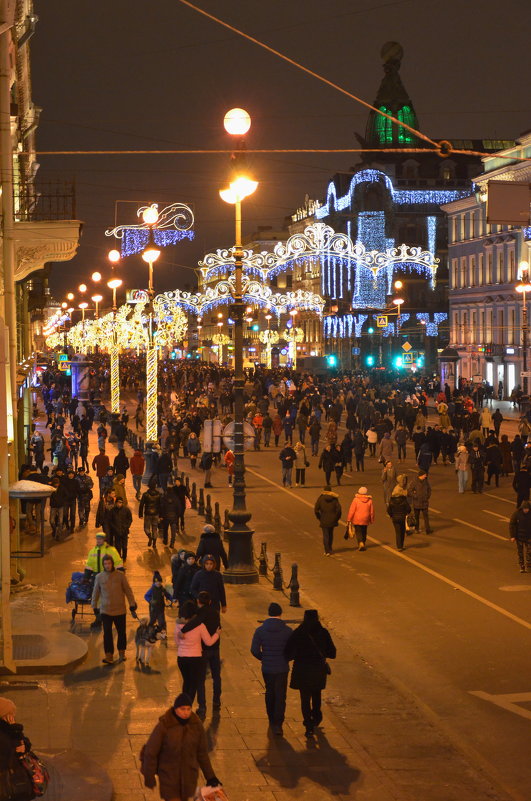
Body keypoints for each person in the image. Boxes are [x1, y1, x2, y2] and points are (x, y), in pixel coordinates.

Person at [140, 693, 221, 801]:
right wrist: (149, 776)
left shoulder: (196, 726)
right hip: (169, 778)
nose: (186, 712)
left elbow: (202, 754)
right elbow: (151, 752)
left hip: (189, 778)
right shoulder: (164, 726)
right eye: (182, 709)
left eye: (188, 709)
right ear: (176, 709)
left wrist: (211, 777)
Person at [284, 609, 336, 737]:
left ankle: (308, 726)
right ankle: (316, 717)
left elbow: (288, 652)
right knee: (316, 694)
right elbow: (332, 653)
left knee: (305, 699)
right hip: (317, 669)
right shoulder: (323, 633)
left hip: (302, 670)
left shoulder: (299, 633)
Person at [250, 602, 292, 736]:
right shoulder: (287, 631)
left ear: (269, 613)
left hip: (267, 668)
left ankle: (271, 719)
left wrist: (264, 657)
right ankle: (278, 724)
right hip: (282, 668)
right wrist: (286, 658)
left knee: (270, 692)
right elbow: (293, 650)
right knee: (280, 695)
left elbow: (254, 650)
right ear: (280, 614)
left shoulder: (260, 630)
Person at [181, 591, 222, 717]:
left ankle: (202, 706)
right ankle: (216, 701)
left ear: (198, 602)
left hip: (203, 650)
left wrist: (183, 630)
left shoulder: (200, 614)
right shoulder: (215, 612)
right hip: (215, 648)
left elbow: (195, 623)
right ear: (210, 602)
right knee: (216, 676)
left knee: (200, 680)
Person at [91, 554, 137, 664]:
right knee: (107, 634)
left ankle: (122, 653)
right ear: (103, 565)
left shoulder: (120, 576)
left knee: (121, 633)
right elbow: (95, 592)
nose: (107, 565)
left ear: (112, 564)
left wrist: (132, 603)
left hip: (120, 610)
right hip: (105, 610)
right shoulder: (99, 577)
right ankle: (109, 655)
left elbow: (128, 590)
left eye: (109, 563)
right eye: (105, 564)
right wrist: (94, 606)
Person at [175, 601, 219, 703]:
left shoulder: (178, 626)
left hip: (181, 658)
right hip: (195, 658)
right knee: (193, 684)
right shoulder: (199, 626)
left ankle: (183, 705)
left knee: (186, 682)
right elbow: (208, 642)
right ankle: (187, 706)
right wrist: (217, 634)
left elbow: (177, 642)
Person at [0, 696, 36, 801]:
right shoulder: (6, 732)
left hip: (15, 781)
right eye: (10, 713)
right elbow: (10, 751)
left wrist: (17, 734)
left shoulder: (11, 729)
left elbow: (25, 744)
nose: (13, 716)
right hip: (7, 783)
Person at [313, 485, 341, 556]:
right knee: (331, 534)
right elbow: (339, 510)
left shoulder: (321, 498)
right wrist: (336, 518)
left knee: (325, 535)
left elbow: (316, 510)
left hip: (324, 519)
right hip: (332, 519)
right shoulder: (335, 499)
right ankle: (330, 548)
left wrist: (319, 517)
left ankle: (327, 550)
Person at [346, 486, 375, 551]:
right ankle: (363, 543)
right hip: (366, 518)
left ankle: (360, 542)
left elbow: (352, 510)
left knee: (358, 531)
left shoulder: (356, 500)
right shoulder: (369, 500)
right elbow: (371, 511)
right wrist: (372, 519)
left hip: (357, 518)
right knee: (364, 531)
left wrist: (349, 519)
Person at [387, 483, 411, 551]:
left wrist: (391, 515)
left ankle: (399, 546)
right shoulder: (404, 500)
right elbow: (408, 509)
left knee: (397, 532)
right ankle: (402, 545)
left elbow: (389, 510)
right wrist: (406, 513)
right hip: (402, 517)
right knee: (402, 531)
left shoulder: (391, 501)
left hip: (395, 518)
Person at [509, 500, 531, 573]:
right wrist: (513, 536)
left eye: (527, 509)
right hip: (519, 537)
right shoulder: (516, 514)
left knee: (529, 551)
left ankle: (529, 564)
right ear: (522, 508)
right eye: (525, 509)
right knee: (520, 552)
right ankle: (522, 565)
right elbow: (512, 525)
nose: (526, 510)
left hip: (529, 536)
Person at [139, 482, 162, 548]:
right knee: (154, 528)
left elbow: (141, 505)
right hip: (156, 514)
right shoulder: (159, 495)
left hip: (148, 514)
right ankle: (154, 543)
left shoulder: (145, 494)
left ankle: (150, 537)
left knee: (146, 528)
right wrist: (161, 515)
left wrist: (140, 514)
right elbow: (161, 505)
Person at [110, 496, 133, 561]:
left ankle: (124, 557)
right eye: (118, 502)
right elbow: (111, 521)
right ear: (116, 502)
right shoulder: (113, 511)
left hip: (124, 531)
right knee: (118, 547)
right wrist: (114, 528)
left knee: (124, 546)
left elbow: (130, 519)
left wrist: (126, 527)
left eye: (121, 502)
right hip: (116, 532)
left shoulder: (126, 510)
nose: (119, 504)